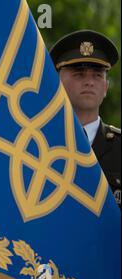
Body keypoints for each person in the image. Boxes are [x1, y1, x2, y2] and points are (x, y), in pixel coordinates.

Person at [50, 29, 121, 208]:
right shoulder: (40, 143)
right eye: (79, 74)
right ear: (57, 82)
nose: (89, 81)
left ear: (106, 86)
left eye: (97, 75)